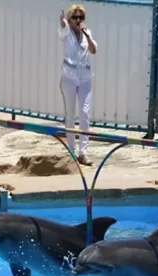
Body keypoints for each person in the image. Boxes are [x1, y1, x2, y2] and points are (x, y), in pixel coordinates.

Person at [58, 4, 97, 167]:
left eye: (81, 17)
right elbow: (62, 32)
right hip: (69, 77)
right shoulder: (66, 32)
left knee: (85, 113)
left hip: (85, 78)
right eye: (75, 17)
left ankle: (83, 152)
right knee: (70, 114)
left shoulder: (87, 33)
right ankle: (71, 150)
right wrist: (63, 23)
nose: (78, 20)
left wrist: (87, 35)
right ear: (69, 19)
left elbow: (94, 50)